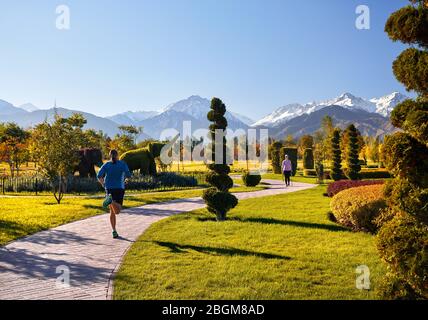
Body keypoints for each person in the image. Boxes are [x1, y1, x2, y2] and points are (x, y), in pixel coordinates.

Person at [97, 150, 132, 239]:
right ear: (117, 155)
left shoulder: (106, 165)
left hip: (108, 189)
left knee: (112, 211)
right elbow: (128, 175)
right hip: (119, 188)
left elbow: (99, 175)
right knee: (117, 211)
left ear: (110, 156)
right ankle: (111, 201)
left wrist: (103, 184)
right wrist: (126, 181)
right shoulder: (122, 164)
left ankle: (114, 231)